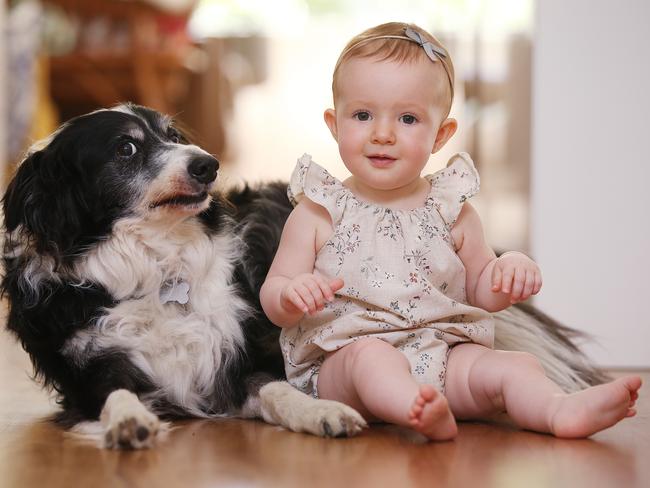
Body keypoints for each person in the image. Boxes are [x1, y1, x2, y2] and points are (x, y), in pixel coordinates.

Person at [259, 22, 641, 440]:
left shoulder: (452, 210)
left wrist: (507, 271)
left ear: (441, 135)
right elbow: (274, 295)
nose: (382, 134)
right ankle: (413, 406)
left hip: (443, 356)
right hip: (343, 363)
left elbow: (482, 291)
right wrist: (291, 294)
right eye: (363, 115)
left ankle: (556, 409)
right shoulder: (319, 212)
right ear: (335, 124)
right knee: (372, 359)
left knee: (513, 366)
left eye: (407, 118)